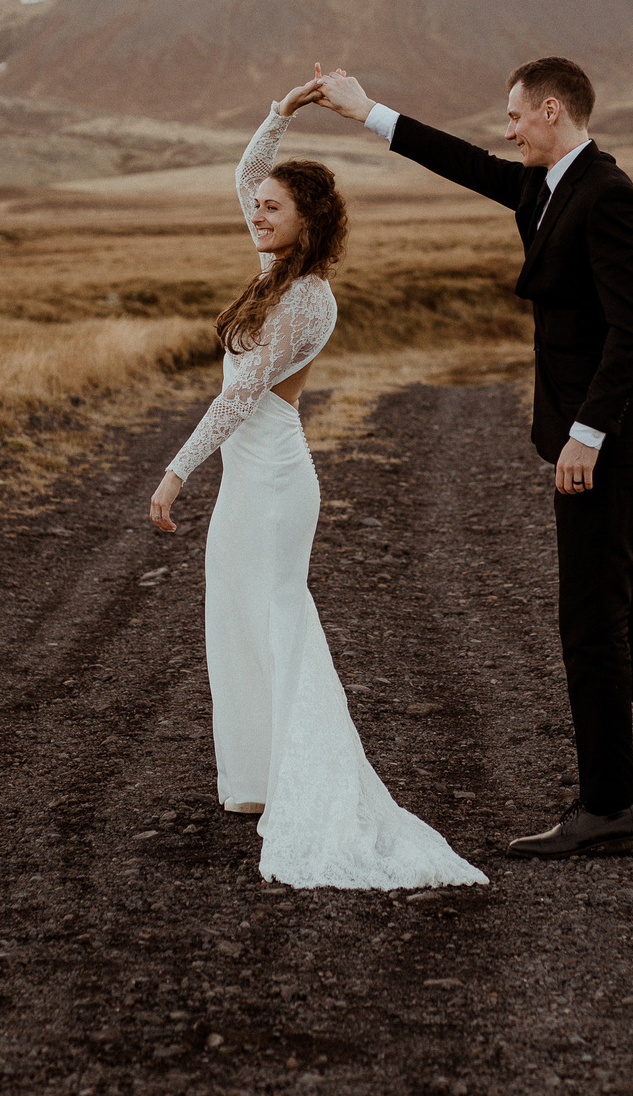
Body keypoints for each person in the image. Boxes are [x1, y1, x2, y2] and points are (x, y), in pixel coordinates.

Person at [309, 57, 633, 858]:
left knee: (593, 622)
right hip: (608, 439)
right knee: (632, 604)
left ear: (552, 109)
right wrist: (368, 113)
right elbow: (468, 165)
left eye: (516, 116)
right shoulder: (552, 184)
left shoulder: (608, 195)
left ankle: (607, 807)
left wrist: (585, 435)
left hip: (613, 442)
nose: (507, 129)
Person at [149, 78, 487, 892]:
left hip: (272, 481)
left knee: (276, 614)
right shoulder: (271, 271)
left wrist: (173, 473)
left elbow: (239, 397)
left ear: (307, 219)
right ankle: (259, 779)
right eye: (258, 207)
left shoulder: (305, 300)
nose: (257, 213)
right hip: (248, 483)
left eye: (273, 207)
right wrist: (279, 113)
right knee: (233, 611)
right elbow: (244, 177)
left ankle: (310, 781)